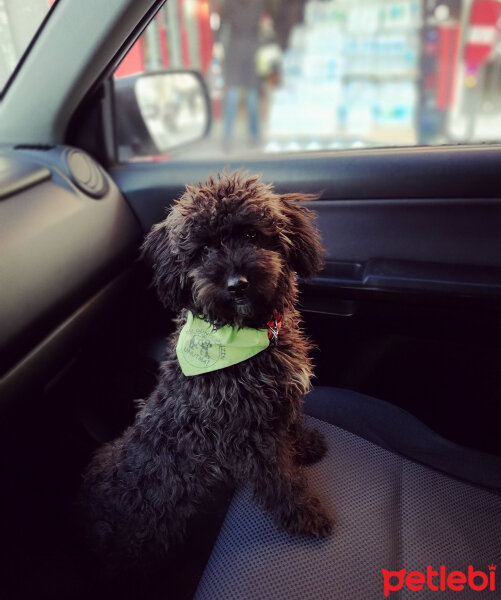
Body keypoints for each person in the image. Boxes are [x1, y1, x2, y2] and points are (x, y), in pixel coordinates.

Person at [220, 0, 268, 148]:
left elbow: (222, 26)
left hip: (234, 51)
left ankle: (227, 138)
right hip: (252, 50)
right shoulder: (258, 4)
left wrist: (218, 46)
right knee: (252, 96)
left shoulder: (229, 4)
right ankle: (254, 136)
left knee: (232, 96)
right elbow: (263, 28)